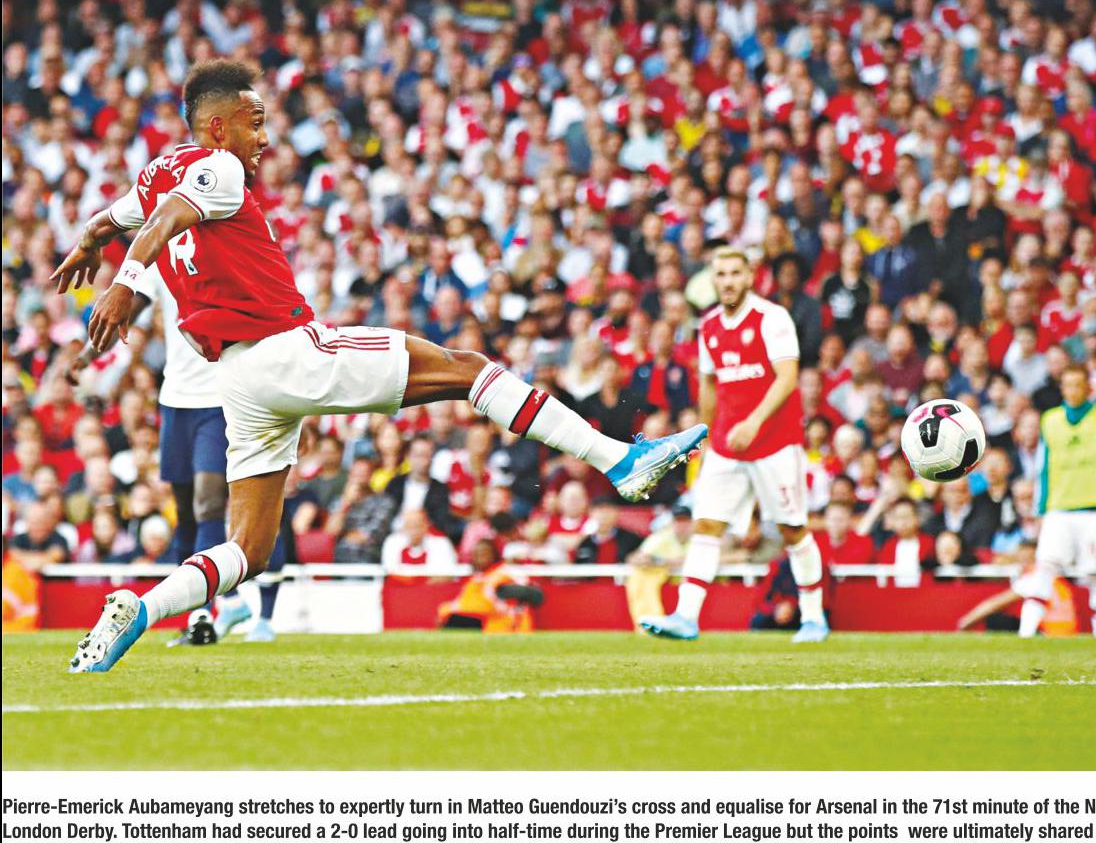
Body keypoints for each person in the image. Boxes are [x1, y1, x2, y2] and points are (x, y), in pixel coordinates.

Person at [53, 59, 705, 672]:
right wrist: (122, 284)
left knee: (249, 549)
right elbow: (166, 219)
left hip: (239, 381)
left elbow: (118, 217)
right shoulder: (218, 167)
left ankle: (141, 610)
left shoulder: (156, 172)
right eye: (255, 123)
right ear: (218, 127)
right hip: (286, 351)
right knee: (466, 367)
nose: (265, 138)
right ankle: (618, 460)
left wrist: (89, 242)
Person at [640, 247, 827, 642]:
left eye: (734, 273)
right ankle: (686, 616)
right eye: (720, 274)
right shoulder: (709, 325)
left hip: (775, 443)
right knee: (707, 524)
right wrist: (706, 434)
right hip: (727, 445)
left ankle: (813, 617)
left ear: (750, 276)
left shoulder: (771, 317)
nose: (727, 281)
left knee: (792, 529)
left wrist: (754, 421)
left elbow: (787, 377)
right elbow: (709, 384)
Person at [69, 264, 263, 641]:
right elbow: (125, 309)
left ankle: (205, 612)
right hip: (175, 401)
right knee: (186, 512)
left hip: (220, 398)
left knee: (209, 503)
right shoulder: (162, 257)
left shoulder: (227, 251)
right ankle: (218, 605)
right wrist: (87, 356)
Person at [1017, 364, 1096, 639]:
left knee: (1094, 572)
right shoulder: (1050, 420)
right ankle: (1025, 633)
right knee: (1045, 566)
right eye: (1068, 385)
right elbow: (1043, 466)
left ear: (1088, 387)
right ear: (1062, 388)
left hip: (1095, 508)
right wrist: (1040, 509)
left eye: (1079, 385)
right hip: (1059, 509)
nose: (1073, 390)